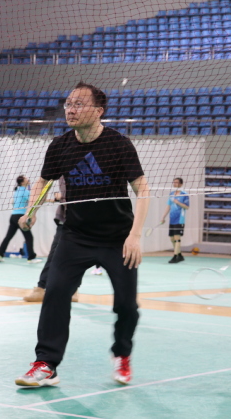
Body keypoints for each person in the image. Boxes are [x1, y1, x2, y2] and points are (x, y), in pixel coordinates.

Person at [15, 82, 150, 387]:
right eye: (68, 104)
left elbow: (143, 190)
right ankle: (46, 363)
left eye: (79, 104)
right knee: (55, 293)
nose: (71, 110)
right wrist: (32, 210)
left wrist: (135, 236)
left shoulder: (119, 145)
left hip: (117, 238)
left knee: (127, 306)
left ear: (99, 111)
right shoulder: (59, 146)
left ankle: (122, 354)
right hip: (75, 236)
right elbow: (44, 181)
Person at [23, 177, 79, 303]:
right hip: (66, 219)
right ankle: (41, 288)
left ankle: (73, 289)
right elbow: (42, 184)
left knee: (78, 257)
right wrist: (30, 213)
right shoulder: (59, 167)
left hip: (88, 220)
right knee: (54, 254)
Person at [0, 175, 42, 264]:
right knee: (29, 237)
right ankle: (31, 258)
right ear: (22, 182)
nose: (28, 179)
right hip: (20, 217)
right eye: (26, 178)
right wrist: (49, 200)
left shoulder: (16, 191)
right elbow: (34, 200)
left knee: (8, 237)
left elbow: (14, 202)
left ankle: (0, 255)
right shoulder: (25, 191)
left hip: (13, 216)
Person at [160, 177, 190, 263]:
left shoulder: (184, 194)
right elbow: (168, 206)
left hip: (180, 219)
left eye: (176, 182)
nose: (174, 183)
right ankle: (179, 255)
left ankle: (175, 256)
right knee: (172, 238)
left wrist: (178, 202)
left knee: (177, 238)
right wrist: (163, 217)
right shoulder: (172, 194)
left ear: (181, 184)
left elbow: (187, 207)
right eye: (174, 182)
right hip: (172, 219)